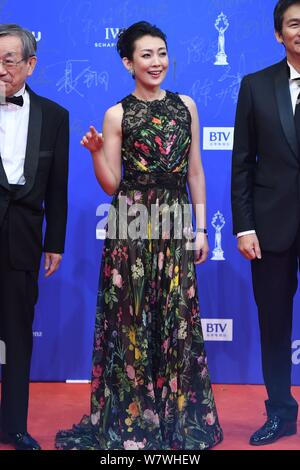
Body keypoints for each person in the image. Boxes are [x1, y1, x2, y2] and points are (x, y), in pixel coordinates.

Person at [55, 21, 222, 450]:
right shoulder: (118, 113)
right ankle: (133, 419)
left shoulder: (186, 105)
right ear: (128, 63)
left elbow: (196, 172)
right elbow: (112, 184)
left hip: (174, 220)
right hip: (131, 223)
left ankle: (176, 417)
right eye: (146, 55)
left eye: (162, 53)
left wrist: (201, 228)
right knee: (130, 319)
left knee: (175, 319)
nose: (156, 62)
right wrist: (95, 155)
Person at [231, 0, 300, 446]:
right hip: (272, 228)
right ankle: (280, 412)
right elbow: (241, 164)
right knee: (273, 325)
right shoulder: (256, 86)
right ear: (280, 34)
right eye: (295, 24)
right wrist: (244, 226)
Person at [0, 24, 69, 450]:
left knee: (18, 335)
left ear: (30, 64)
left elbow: (58, 187)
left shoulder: (54, 116)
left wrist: (55, 242)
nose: (1, 68)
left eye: (8, 59)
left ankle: (14, 426)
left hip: (23, 241)